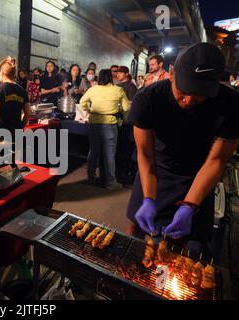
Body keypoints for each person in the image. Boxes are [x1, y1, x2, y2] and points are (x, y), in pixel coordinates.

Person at [127, 43, 239, 255]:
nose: (189, 100)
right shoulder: (147, 99)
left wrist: (190, 206)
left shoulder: (230, 104)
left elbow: (216, 161)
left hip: (197, 174)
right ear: (171, 73)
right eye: (184, 91)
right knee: (135, 230)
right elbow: (146, 153)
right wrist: (149, 198)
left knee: (184, 245)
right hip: (155, 168)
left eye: (199, 95)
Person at [80, 69, 130, 190]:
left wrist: (89, 111)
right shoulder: (118, 90)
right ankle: (110, 182)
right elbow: (126, 108)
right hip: (110, 124)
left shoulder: (93, 89)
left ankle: (91, 177)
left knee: (93, 152)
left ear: (99, 77)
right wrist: (122, 120)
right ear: (111, 78)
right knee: (109, 154)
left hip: (94, 124)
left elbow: (82, 102)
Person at [0, 56, 29, 138]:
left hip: (1, 132)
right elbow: (27, 114)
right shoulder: (23, 91)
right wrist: (21, 126)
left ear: (1, 73)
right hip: (18, 133)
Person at [116, 66, 138, 185]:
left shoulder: (131, 87)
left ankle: (124, 174)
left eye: (120, 73)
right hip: (116, 120)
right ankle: (117, 172)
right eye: (117, 73)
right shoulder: (116, 86)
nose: (118, 75)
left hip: (126, 121)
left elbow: (133, 103)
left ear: (126, 74)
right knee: (118, 148)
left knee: (125, 149)